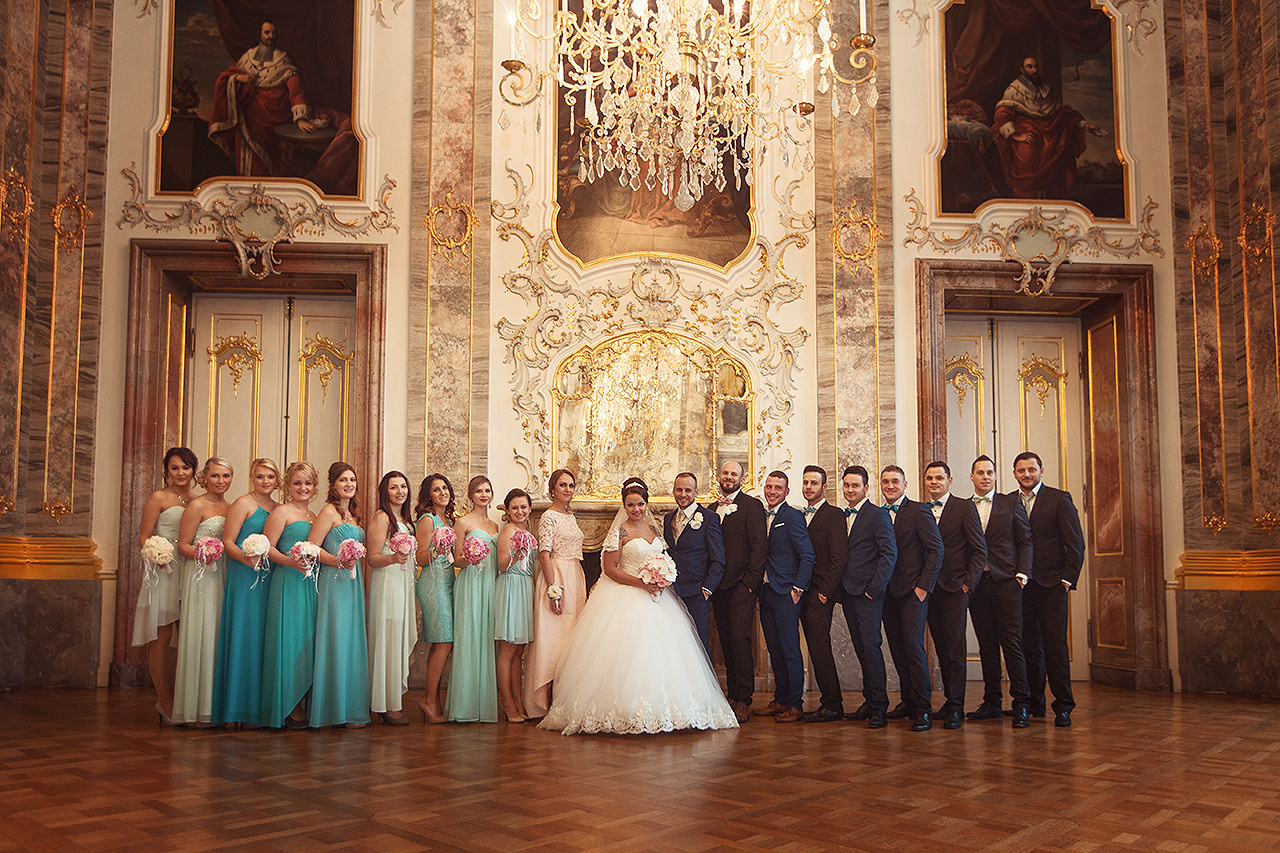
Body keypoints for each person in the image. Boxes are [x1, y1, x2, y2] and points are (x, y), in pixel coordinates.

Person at [539, 480, 739, 735]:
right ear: (624, 506)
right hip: (625, 596)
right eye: (630, 504)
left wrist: (662, 578)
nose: (636, 509)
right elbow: (609, 569)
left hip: (658, 598)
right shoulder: (619, 532)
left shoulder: (655, 532)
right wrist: (641, 583)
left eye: (640, 504)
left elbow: (664, 559)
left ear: (647, 505)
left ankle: (663, 708)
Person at [1014, 451, 1085, 727]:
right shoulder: (1010, 502)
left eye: (1031, 469)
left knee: (1055, 646)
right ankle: (1035, 702)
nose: (1027, 475)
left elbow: (1075, 543)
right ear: (1015, 474)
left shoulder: (1059, 498)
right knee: (1029, 646)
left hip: (1053, 584)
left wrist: (1067, 580)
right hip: (1022, 585)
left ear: (1041, 470)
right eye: (1021, 471)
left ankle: (1063, 705)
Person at [965, 455, 1033, 729]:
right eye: (980, 472)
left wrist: (1021, 574)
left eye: (990, 472)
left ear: (995, 476)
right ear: (971, 476)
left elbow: (1025, 540)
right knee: (987, 646)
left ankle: (1022, 705)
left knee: (1013, 644)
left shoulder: (1010, 502)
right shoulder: (964, 507)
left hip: (1007, 583)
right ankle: (992, 702)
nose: (985, 477)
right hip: (977, 585)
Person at [132, 446, 198, 725]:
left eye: (186, 467)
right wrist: (157, 552)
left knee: (185, 638)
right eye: (175, 468)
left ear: (194, 470)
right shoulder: (159, 497)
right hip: (165, 571)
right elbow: (143, 537)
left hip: (191, 571)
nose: (181, 473)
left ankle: (179, 697)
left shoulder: (197, 500)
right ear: (166, 471)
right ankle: (165, 702)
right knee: (161, 637)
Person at [213, 457, 279, 727]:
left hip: (269, 578)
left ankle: (258, 709)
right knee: (244, 636)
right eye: (260, 476)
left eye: (270, 477)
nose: (265, 481)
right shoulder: (243, 503)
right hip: (244, 576)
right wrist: (246, 558)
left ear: (277, 480)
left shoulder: (278, 508)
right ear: (252, 478)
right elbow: (227, 542)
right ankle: (235, 709)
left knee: (264, 638)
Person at [208, 20, 318, 177]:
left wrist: (300, 118)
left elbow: (296, 87)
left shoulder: (283, 59)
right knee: (251, 160)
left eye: (273, 33)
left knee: (275, 161)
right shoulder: (248, 58)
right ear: (259, 34)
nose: (271, 36)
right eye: (267, 32)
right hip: (249, 121)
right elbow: (226, 79)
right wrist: (239, 78)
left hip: (276, 121)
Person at [922, 461, 986, 730]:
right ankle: (949, 701)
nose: (934, 482)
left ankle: (957, 707)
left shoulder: (963, 507)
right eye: (929, 478)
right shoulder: (920, 510)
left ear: (950, 480)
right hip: (929, 590)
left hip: (954, 589)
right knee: (941, 647)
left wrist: (967, 585)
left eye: (939, 477)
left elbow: (979, 550)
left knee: (955, 649)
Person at [880, 465, 943, 732]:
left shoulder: (919, 510)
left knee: (914, 648)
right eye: (886, 482)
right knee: (897, 648)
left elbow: (936, 550)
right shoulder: (878, 513)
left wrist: (923, 588)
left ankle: (922, 708)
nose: (890, 486)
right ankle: (906, 701)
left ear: (905, 485)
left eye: (896, 481)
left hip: (913, 592)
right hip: (887, 594)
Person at [308, 462, 371, 729]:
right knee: (335, 637)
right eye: (343, 480)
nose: (349, 484)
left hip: (353, 586)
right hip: (334, 582)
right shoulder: (328, 512)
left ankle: (350, 706)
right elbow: (311, 548)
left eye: (352, 480)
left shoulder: (353, 516)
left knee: (350, 639)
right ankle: (331, 708)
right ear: (333, 484)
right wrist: (337, 561)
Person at [172, 457, 233, 726]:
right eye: (216, 476)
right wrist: (202, 553)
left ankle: (215, 706)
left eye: (226, 476)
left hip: (222, 575)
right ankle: (196, 709)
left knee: (218, 634)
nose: (221, 481)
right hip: (199, 576)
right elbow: (182, 545)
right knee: (201, 633)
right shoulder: (197, 505)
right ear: (204, 478)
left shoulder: (231, 508)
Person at [992, 56, 1104, 200]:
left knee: (1061, 143)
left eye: (1036, 67)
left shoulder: (1046, 88)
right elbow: (1003, 113)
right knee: (1028, 147)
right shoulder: (1015, 88)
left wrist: (1084, 125)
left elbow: (1061, 115)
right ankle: (1025, 197)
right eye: (1029, 67)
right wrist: (1016, 135)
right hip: (1026, 128)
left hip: (1048, 128)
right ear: (1022, 70)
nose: (1034, 70)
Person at [752, 471, 815, 725]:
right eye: (768, 487)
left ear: (787, 492)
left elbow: (808, 555)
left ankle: (796, 704)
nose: (772, 491)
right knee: (774, 649)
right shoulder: (761, 516)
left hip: (786, 593)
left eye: (778, 488)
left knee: (790, 650)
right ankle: (780, 700)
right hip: (766, 592)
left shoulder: (792, 516)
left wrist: (798, 589)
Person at [524, 469, 587, 719]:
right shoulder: (549, 517)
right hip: (556, 578)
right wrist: (553, 590)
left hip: (575, 577)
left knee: (570, 641)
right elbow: (544, 553)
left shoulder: (570, 516)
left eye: (571, 485)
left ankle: (563, 701)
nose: (568, 489)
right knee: (551, 641)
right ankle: (542, 702)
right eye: (563, 485)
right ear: (552, 489)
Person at [261, 461, 319, 729]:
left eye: (307, 483)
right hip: (287, 581)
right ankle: (289, 704)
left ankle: (303, 698)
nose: (302, 488)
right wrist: (290, 562)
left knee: (308, 641)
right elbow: (267, 548)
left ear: (315, 487)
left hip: (311, 584)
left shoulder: (315, 517)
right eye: (297, 483)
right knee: (290, 640)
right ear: (288, 485)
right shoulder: (282, 512)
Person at [838, 465, 896, 728]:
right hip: (848, 593)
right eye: (847, 485)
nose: (850, 490)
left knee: (871, 647)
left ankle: (880, 707)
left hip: (869, 594)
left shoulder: (877, 515)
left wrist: (874, 588)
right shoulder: (841, 515)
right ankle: (870, 699)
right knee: (860, 648)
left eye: (855, 486)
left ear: (866, 488)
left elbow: (888, 554)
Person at [709, 460, 767, 723]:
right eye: (725, 473)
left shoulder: (752, 506)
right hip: (718, 586)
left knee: (741, 639)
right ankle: (731, 696)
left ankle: (743, 699)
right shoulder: (710, 510)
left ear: (742, 480)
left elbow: (759, 547)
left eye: (734, 474)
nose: (729, 477)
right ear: (718, 477)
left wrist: (750, 582)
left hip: (742, 585)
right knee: (726, 640)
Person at [364, 470, 417, 725]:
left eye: (403, 487)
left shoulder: (405, 518)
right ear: (385, 491)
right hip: (386, 585)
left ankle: (392, 699)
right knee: (387, 640)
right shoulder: (381, 517)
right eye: (394, 487)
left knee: (396, 639)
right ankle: (383, 703)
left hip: (402, 584)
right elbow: (372, 558)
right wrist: (394, 558)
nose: (400, 491)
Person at [797, 465, 848, 723]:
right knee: (812, 648)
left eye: (814, 483)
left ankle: (832, 704)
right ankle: (828, 701)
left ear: (824, 487)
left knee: (819, 647)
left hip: (820, 592)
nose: (808, 487)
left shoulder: (834, 515)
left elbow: (839, 558)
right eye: (805, 482)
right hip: (800, 591)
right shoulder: (798, 515)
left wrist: (825, 592)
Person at [447, 475, 500, 723]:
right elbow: (455, 559)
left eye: (487, 490)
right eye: (478, 490)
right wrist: (470, 558)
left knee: (486, 640)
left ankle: (483, 705)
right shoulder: (462, 522)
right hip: (469, 583)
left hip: (490, 584)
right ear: (471, 495)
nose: (483, 494)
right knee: (469, 640)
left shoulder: (495, 526)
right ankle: (464, 706)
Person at [662, 472, 724, 656]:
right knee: (673, 642)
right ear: (673, 490)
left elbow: (718, 559)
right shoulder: (667, 518)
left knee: (697, 643)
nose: (683, 494)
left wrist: (706, 589)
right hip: (671, 593)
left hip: (697, 593)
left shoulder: (709, 518)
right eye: (679, 489)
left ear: (696, 492)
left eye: (688, 490)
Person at [413, 473, 456, 724]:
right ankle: (429, 701)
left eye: (445, 488)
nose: (442, 493)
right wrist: (436, 551)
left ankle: (432, 700)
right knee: (444, 641)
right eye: (436, 490)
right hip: (433, 582)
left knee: (440, 642)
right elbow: (419, 558)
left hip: (448, 579)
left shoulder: (446, 519)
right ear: (428, 495)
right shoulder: (427, 520)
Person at [495, 488, 536, 723]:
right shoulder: (508, 531)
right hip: (510, 586)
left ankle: (519, 701)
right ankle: (508, 703)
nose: (520, 511)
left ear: (529, 509)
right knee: (508, 648)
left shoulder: (526, 530)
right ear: (507, 511)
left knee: (519, 650)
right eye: (515, 507)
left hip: (524, 587)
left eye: (523, 507)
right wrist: (516, 555)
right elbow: (501, 565)